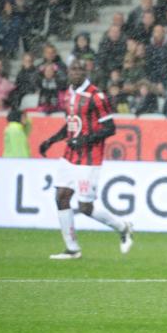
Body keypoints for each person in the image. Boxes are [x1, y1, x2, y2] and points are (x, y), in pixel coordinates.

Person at [38, 60, 134, 260]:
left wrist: (84, 140)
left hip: (90, 158)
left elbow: (110, 128)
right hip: (70, 155)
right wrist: (51, 140)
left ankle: (122, 227)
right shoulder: (69, 94)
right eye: (72, 69)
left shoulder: (96, 96)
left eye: (79, 70)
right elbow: (71, 125)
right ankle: (72, 249)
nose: (75, 73)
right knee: (61, 197)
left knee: (85, 207)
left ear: (85, 72)